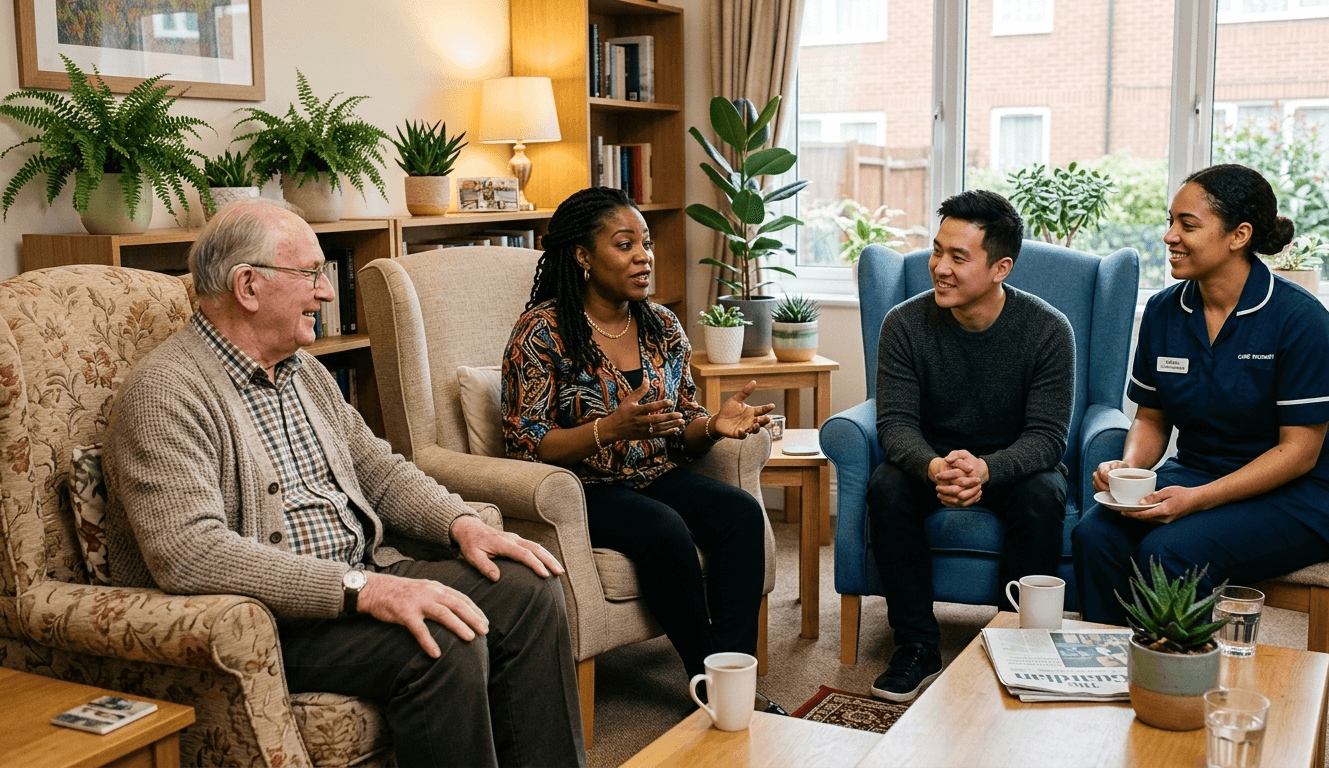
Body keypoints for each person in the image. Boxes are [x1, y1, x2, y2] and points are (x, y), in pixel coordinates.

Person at [102, 199, 585, 768]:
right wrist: (361, 588)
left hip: (365, 572)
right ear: (248, 286)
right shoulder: (165, 394)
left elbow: (379, 470)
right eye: (311, 274)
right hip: (279, 617)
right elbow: (189, 554)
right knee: (443, 643)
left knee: (530, 590)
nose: (327, 292)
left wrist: (460, 524)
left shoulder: (303, 372)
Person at [501, 186, 778, 706]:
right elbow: (526, 445)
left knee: (740, 514)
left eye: (645, 244)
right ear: (583, 256)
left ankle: (733, 676)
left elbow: (683, 426)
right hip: (584, 488)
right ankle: (709, 681)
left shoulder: (661, 326)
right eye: (625, 244)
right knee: (664, 529)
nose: (643, 256)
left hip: (656, 475)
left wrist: (712, 427)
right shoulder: (542, 332)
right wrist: (609, 429)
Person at [1073, 164, 1329, 624]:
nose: (1170, 236)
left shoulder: (1300, 320)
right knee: (1095, 534)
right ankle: (1104, 676)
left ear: (1239, 235)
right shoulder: (1164, 311)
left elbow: (1299, 453)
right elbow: (1151, 419)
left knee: (1168, 552)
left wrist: (1198, 499)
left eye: (1187, 225)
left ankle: (1169, 683)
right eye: (1170, 222)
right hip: (1196, 472)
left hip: (1296, 494)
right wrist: (1129, 470)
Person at [868, 189, 1075, 702]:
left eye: (958, 257)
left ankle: (1014, 641)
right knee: (887, 484)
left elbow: (1048, 439)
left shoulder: (1049, 330)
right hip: (933, 464)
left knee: (1044, 492)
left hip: (1011, 467)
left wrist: (985, 469)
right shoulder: (904, 324)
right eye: (938, 251)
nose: (939, 267)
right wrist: (937, 466)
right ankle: (916, 645)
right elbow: (895, 426)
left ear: (1001, 267)